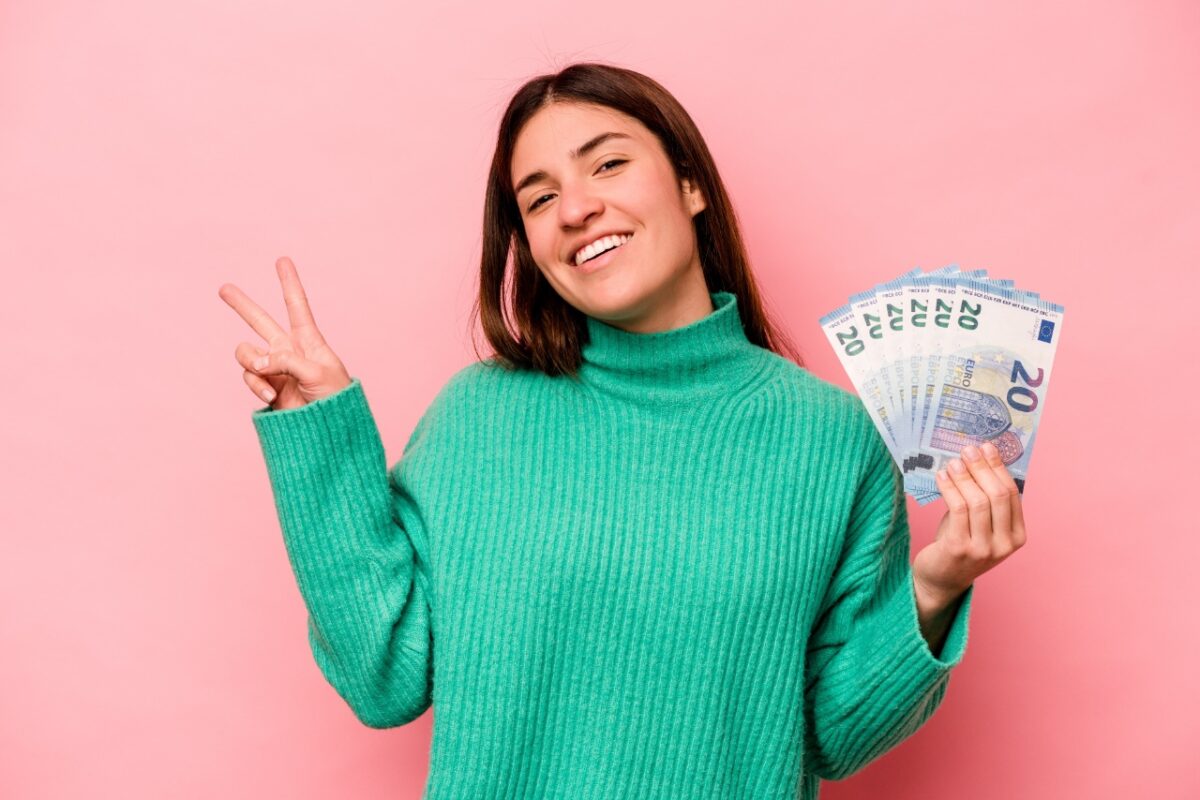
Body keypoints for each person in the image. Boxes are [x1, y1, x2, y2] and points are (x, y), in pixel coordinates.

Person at [218, 61, 1026, 800]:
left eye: (607, 164)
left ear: (690, 185)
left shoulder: (831, 441)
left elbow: (825, 735)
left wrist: (934, 586)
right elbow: (383, 676)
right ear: (529, 248)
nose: (575, 208)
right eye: (538, 199)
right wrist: (318, 434)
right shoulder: (477, 418)